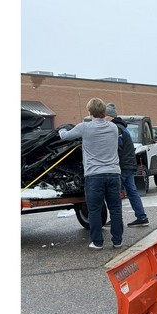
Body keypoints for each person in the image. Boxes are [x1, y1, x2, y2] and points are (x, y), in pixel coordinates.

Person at [60, 98, 124, 250]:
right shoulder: (114, 127)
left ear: (89, 112)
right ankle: (117, 241)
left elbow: (65, 136)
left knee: (94, 209)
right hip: (114, 174)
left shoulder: (84, 127)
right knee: (115, 209)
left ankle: (97, 242)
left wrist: (61, 129)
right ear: (104, 112)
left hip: (94, 176)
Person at [106, 103, 149, 227]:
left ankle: (116, 219)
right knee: (132, 192)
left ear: (109, 117)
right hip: (129, 165)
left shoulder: (116, 128)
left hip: (121, 166)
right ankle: (142, 217)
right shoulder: (123, 128)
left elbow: (117, 148)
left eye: (105, 117)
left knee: (115, 193)